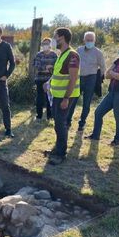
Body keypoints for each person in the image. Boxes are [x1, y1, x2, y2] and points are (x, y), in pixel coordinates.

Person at [85, 39, 119, 147]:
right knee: (98, 112)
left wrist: (114, 73)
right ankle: (95, 135)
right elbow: (107, 74)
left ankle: (117, 140)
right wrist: (116, 74)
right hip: (112, 91)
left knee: (118, 117)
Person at [45, 27, 80, 165]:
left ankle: (61, 153)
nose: (53, 39)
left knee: (61, 124)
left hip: (66, 96)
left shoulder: (72, 55)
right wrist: (49, 82)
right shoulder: (62, 54)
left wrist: (66, 98)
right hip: (57, 95)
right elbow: (59, 74)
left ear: (62, 37)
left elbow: (72, 78)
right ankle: (58, 148)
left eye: (55, 36)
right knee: (58, 123)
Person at [67, 31, 106, 131]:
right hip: (78, 78)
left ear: (94, 40)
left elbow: (102, 67)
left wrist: (99, 80)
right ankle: (67, 121)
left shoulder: (98, 53)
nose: (89, 42)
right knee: (72, 100)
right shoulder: (78, 50)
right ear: (84, 40)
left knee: (86, 103)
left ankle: (82, 123)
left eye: (91, 40)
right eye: (87, 40)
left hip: (91, 78)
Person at [32, 38, 57, 121]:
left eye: (47, 43)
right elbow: (36, 66)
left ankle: (49, 116)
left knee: (49, 97)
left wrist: (50, 69)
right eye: (43, 44)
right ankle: (39, 116)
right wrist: (47, 68)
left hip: (50, 79)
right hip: (40, 79)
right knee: (40, 97)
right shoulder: (39, 55)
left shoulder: (54, 55)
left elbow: (56, 67)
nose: (45, 45)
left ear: (50, 45)